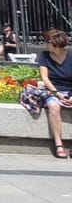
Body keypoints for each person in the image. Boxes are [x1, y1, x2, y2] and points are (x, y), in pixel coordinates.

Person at [18, 29, 72, 158]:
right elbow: (45, 78)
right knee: (54, 106)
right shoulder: (44, 56)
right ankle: (59, 144)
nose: (45, 44)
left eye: (47, 41)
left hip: (70, 90)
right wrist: (57, 94)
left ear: (54, 43)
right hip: (53, 90)